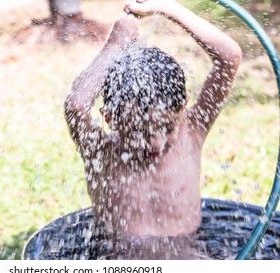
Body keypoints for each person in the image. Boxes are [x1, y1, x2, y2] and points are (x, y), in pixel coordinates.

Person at [63, 0, 242, 256]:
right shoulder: (100, 153)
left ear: (183, 109)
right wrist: (116, 45)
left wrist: (168, 8)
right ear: (110, 118)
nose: (156, 142)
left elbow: (228, 57)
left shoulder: (190, 132)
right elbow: (76, 106)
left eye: (168, 127)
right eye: (139, 132)